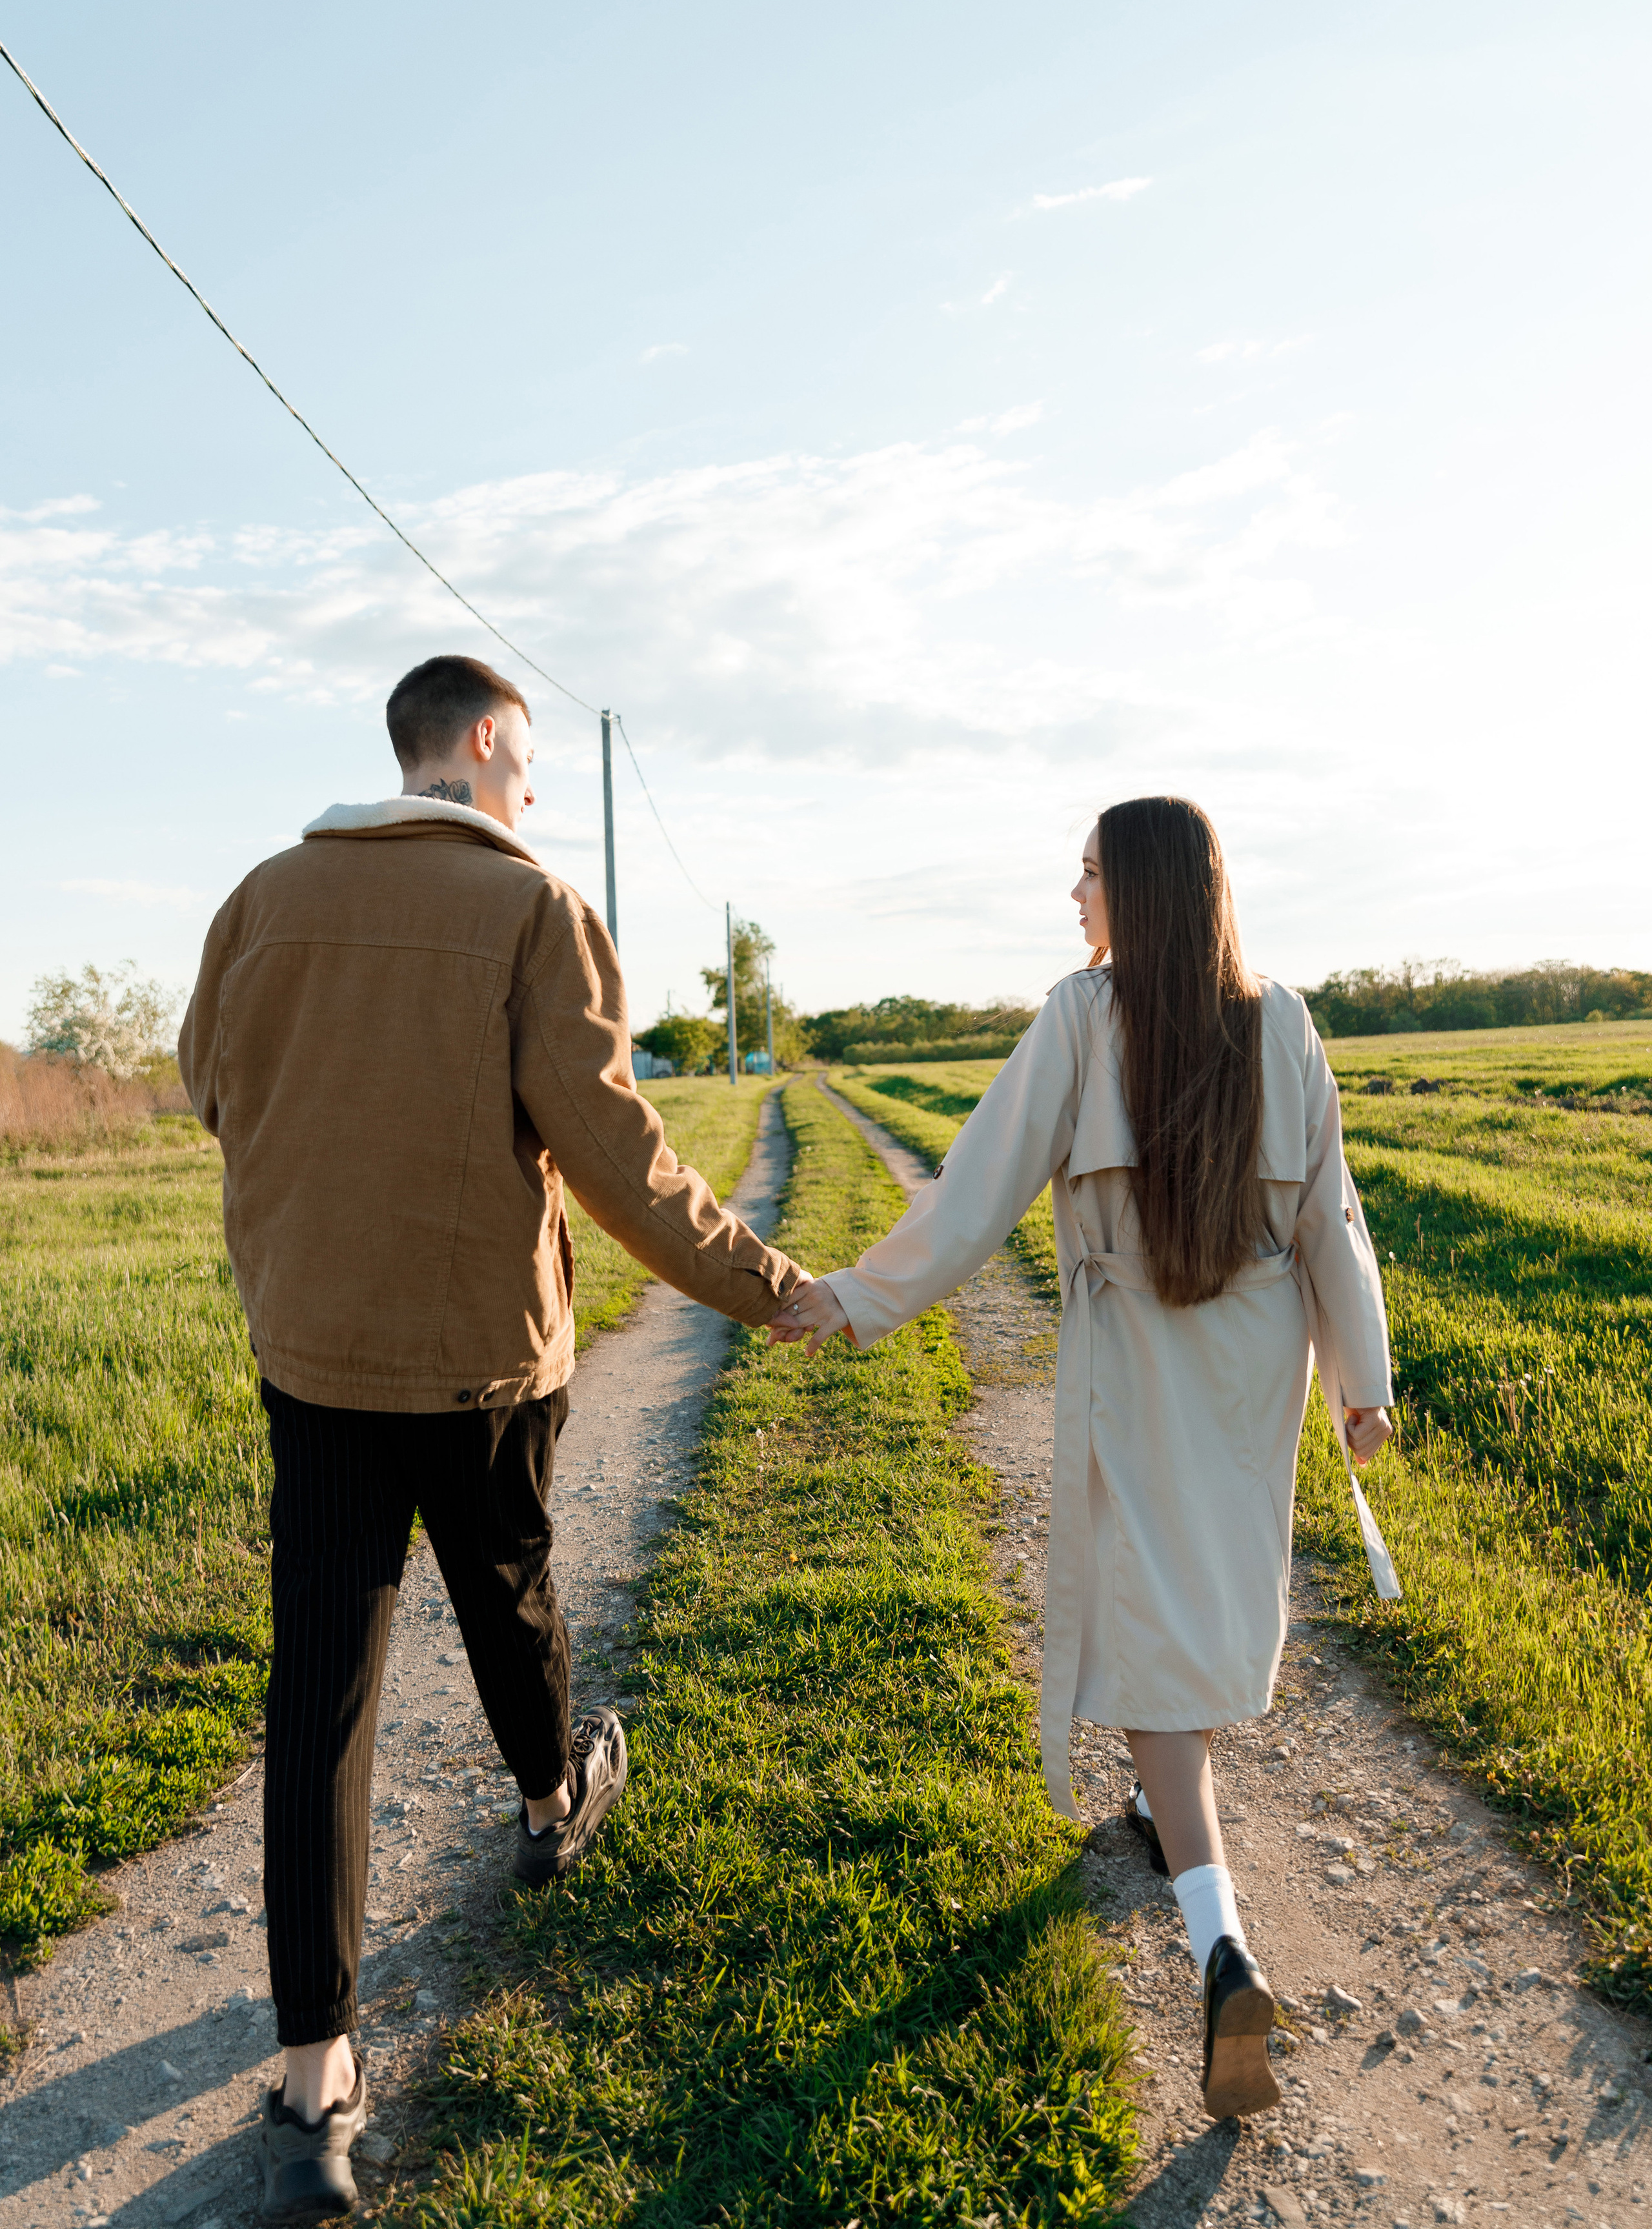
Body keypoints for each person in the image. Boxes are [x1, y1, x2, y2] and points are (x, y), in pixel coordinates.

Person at [179, 654, 805, 2221]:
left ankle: (315, 2085)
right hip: (482, 1367)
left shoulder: (261, 897)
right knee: (505, 1588)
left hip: (314, 1355)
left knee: (320, 1690)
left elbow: (209, 1082)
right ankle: (546, 1805)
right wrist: (762, 1287)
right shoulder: (533, 910)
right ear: (478, 743)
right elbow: (615, 1152)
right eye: (524, 762)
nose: (530, 791)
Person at [772, 794, 1398, 2120]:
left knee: (1150, 1620)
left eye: (1091, 873)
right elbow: (1331, 1221)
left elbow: (977, 1188)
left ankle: (1219, 1942)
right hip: (1255, 1360)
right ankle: (1161, 1812)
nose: (1074, 898)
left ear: (1148, 890)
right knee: (1199, 1596)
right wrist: (1362, 1385)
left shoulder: (1080, 1014)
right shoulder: (1282, 1020)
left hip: (1138, 1355)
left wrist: (856, 1296)